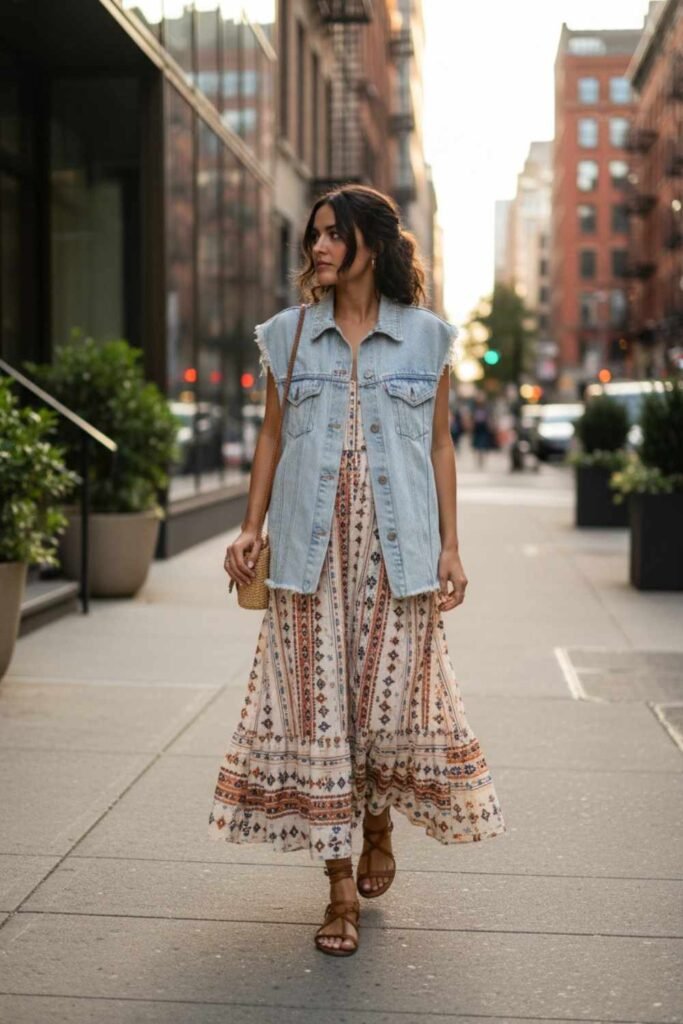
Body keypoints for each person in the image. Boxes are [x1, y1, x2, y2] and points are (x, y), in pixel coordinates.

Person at [209, 184, 506, 957]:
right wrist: (249, 527)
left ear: (371, 244)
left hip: (396, 554)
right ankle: (337, 889)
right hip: (308, 560)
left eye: (334, 234)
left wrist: (450, 546)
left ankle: (377, 821)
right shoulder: (286, 334)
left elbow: (438, 444)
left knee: (384, 715)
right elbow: (271, 437)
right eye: (314, 234)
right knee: (322, 719)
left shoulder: (427, 338)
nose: (318, 246)